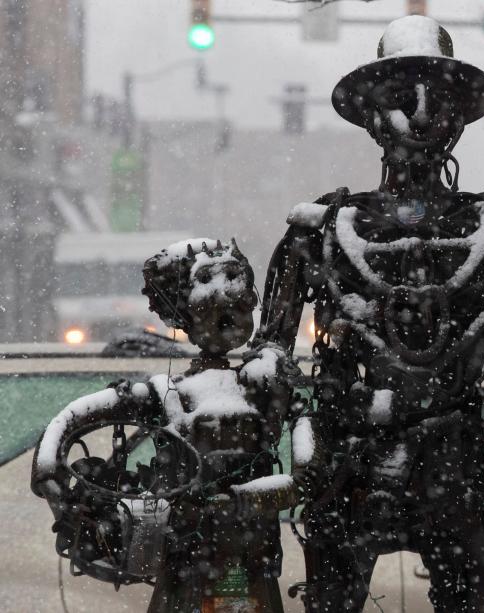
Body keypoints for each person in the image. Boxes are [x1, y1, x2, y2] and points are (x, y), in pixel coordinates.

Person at [256, 15, 484, 613]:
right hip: (350, 460)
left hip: (453, 462)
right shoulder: (323, 228)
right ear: (372, 117)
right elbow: (268, 354)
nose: (419, 113)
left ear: (458, 121)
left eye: (436, 99)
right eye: (401, 98)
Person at [31, 238, 322, 613]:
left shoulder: (266, 389)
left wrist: (265, 494)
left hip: (248, 557)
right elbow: (76, 417)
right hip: (191, 557)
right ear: (184, 315)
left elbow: (308, 463)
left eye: (236, 298)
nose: (228, 308)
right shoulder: (169, 394)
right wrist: (49, 467)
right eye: (213, 303)